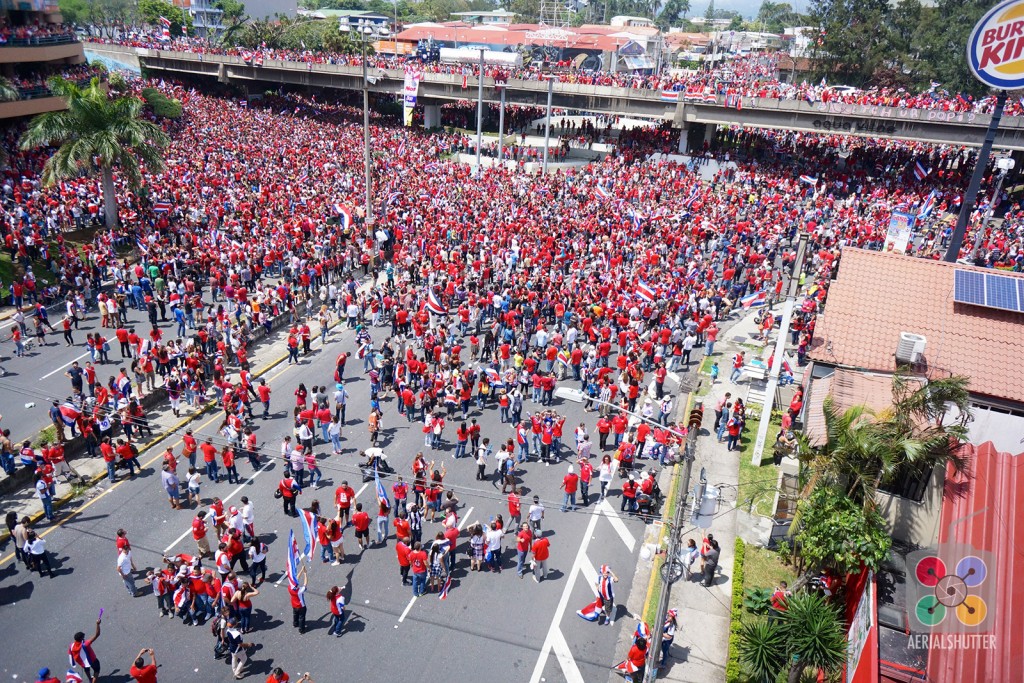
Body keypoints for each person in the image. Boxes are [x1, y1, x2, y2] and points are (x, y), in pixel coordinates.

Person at [288, 564, 308, 634]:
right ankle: (301, 630)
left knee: (295, 614)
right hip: (301, 606)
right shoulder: (299, 591)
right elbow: (305, 583)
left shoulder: (290, 587)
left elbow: (296, 579)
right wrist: (305, 573)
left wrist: (301, 570)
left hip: (294, 604)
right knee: (302, 617)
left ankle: (295, 623)